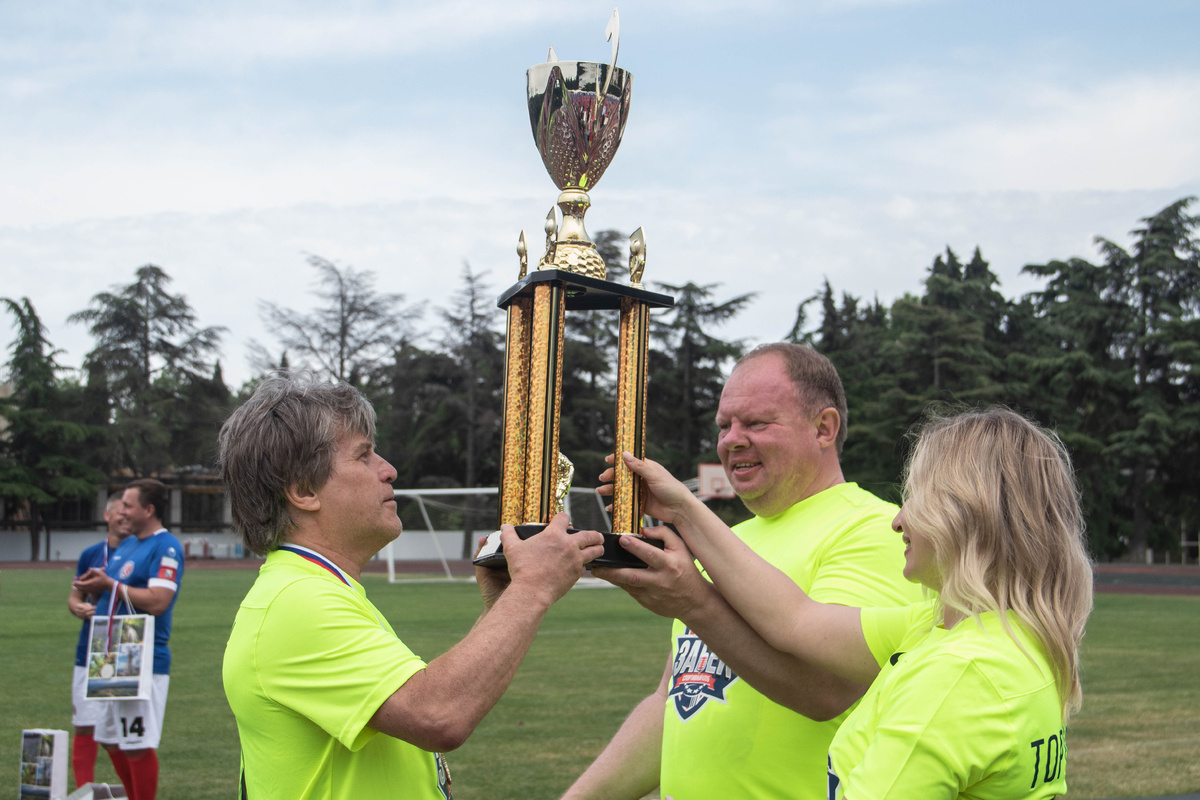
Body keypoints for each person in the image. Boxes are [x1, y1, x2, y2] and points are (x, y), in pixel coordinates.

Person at [610, 407, 1094, 798]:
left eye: (917, 497)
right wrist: (682, 508)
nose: (898, 520)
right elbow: (796, 620)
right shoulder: (992, 638)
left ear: (966, 515)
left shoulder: (954, 675)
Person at [218, 372, 605, 800]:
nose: (388, 470)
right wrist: (532, 588)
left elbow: (420, 701)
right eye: (364, 456)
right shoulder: (297, 602)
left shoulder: (310, 589)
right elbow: (438, 714)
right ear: (304, 490)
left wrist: (502, 606)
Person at [565, 343, 923, 800]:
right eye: (724, 426)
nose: (732, 439)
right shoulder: (730, 542)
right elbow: (675, 702)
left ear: (823, 428)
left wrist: (696, 603)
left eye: (756, 423)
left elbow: (828, 692)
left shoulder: (872, 529)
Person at [73, 478, 184, 800]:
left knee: (137, 743)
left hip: (141, 657)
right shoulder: (129, 545)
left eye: (127, 505)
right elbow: (114, 590)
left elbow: (159, 600)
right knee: (109, 738)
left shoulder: (166, 546)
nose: (120, 511)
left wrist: (111, 586)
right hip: (110, 653)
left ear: (148, 510)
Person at [67, 493, 132, 788]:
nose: (124, 518)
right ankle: (84, 792)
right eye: (119, 512)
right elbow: (75, 595)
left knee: (115, 737)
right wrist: (77, 607)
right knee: (84, 726)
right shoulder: (91, 554)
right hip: (90, 651)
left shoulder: (139, 554)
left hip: (125, 651)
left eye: (128, 513)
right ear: (107, 515)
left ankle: (134, 792)